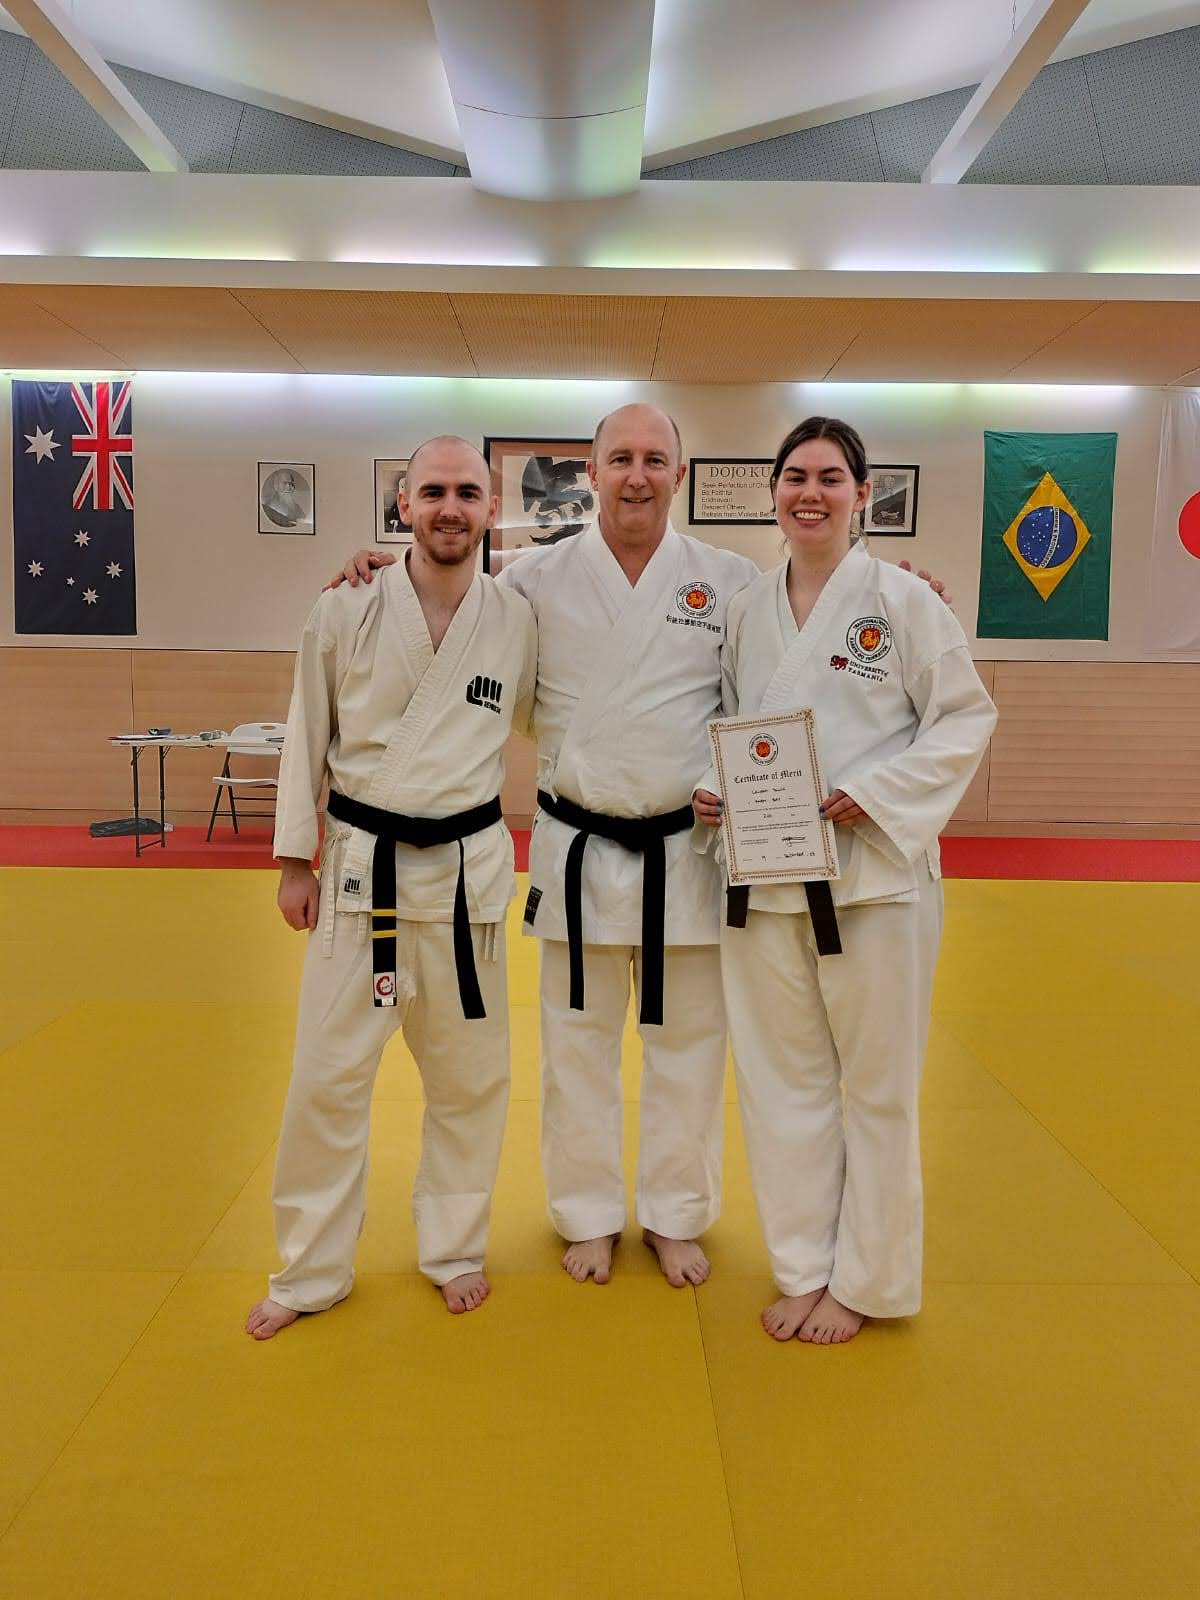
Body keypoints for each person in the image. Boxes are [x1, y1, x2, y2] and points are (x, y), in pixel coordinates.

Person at [329, 407, 953, 1293]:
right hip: (576, 847)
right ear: (589, 472)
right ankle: (586, 1215)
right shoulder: (530, 580)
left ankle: (675, 1214)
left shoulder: (730, 582)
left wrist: (899, 590)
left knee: (689, 1051)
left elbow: (800, 639)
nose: (636, 474)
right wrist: (376, 568)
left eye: (655, 459)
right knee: (575, 1050)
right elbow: (446, 606)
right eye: (619, 458)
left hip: (687, 851)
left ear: (679, 474)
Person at [693, 416, 996, 1345]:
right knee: (780, 1084)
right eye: (795, 476)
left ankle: (868, 1280)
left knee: (877, 1087)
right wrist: (712, 786)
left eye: (830, 477)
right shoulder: (747, 607)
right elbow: (726, 718)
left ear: (863, 494)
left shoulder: (903, 600)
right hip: (764, 876)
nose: (810, 493)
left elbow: (964, 717)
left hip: (875, 883)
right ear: (773, 493)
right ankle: (803, 1267)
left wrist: (877, 791)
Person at [246, 437, 537, 1340]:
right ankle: (310, 1269)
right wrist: (294, 859)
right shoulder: (345, 606)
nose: (451, 507)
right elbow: (307, 728)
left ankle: (454, 1249)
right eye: (433, 491)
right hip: (356, 875)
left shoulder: (518, 617)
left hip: (465, 887)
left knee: (470, 1083)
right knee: (325, 1083)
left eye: (468, 493)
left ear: (490, 509)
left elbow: (567, 711)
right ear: (403, 504)